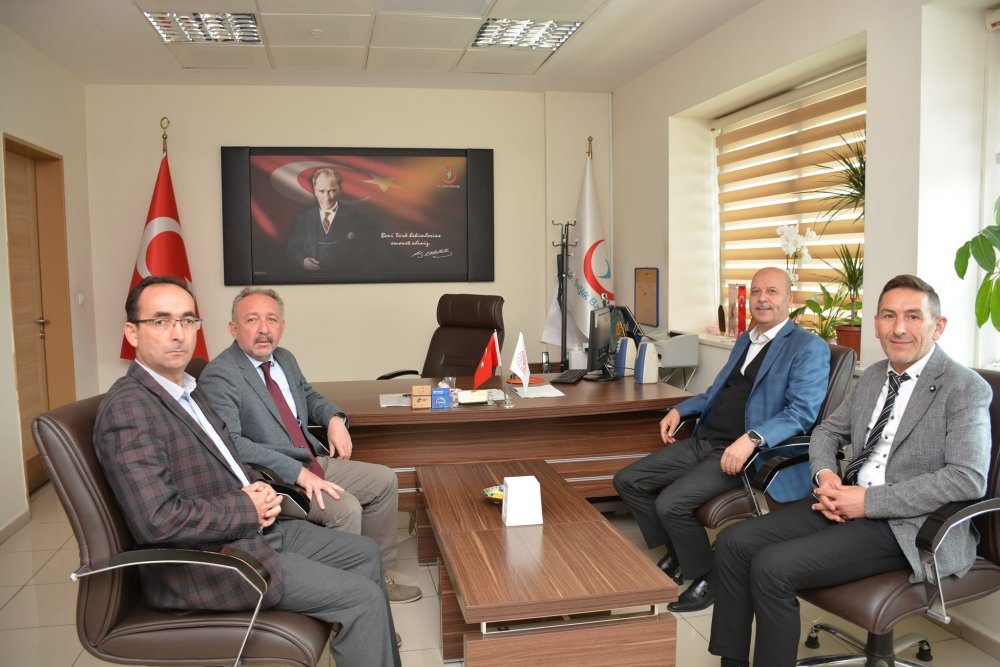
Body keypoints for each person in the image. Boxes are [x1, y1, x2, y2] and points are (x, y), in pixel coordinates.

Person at [94, 276, 401, 667]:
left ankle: (372, 641)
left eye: (187, 321)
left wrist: (261, 489)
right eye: (160, 321)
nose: (177, 333)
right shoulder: (130, 409)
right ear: (132, 333)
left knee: (365, 552)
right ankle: (367, 626)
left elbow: (226, 458)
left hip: (249, 532)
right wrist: (247, 506)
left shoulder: (188, 390)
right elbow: (157, 521)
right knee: (363, 598)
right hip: (213, 560)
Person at [709, 274, 992, 667]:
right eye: (889, 316)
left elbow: (967, 478)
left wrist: (869, 502)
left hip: (908, 525)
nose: (899, 328)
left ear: (937, 326)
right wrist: (826, 476)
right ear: (876, 323)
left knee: (772, 568)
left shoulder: (964, 387)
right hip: (843, 500)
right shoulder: (874, 376)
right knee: (732, 542)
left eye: (913, 316)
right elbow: (827, 431)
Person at [613, 266, 830, 612]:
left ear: (790, 299)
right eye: (756, 292)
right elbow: (715, 391)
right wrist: (680, 410)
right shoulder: (745, 339)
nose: (762, 299)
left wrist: (752, 439)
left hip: (743, 452)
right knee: (629, 480)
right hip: (706, 439)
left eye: (772, 292)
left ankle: (709, 576)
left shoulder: (808, 347)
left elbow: (801, 412)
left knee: (671, 503)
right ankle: (679, 552)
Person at [198, 286, 422, 603]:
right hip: (274, 478)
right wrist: (298, 473)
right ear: (233, 328)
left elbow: (309, 396)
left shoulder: (284, 359)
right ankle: (352, 598)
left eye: (271, 319)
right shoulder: (220, 375)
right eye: (252, 320)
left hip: (310, 458)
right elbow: (231, 445)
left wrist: (334, 419)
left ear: (282, 326)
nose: (263, 329)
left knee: (385, 480)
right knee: (346, 508)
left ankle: (379, 577)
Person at [286, 168, 363, 273]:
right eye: (321, 191)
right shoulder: (302, 217)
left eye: (332, 191)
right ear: (315, 191)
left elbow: (364, 251)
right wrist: (302, 261)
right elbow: (293, 246)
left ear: (340, 190)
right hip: (312, 278)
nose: (327, 198)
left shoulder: (355, 218)